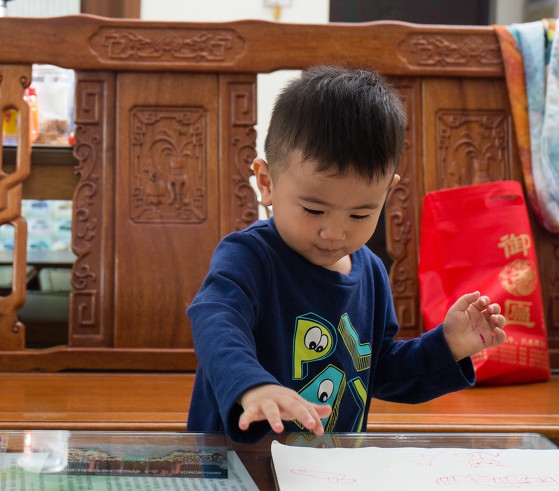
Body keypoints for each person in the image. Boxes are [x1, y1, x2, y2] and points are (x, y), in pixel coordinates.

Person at [186, 66, 507, 442]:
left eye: (360, 214)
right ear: (266, 182)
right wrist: (252, 386)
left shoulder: (370, 273)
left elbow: (379, 371)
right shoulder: (249, 257)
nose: (334, 232)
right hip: (239, 469)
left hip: (327, 474)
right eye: (313, 210)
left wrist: (447, 347)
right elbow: (215, 320)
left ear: (388, 192)